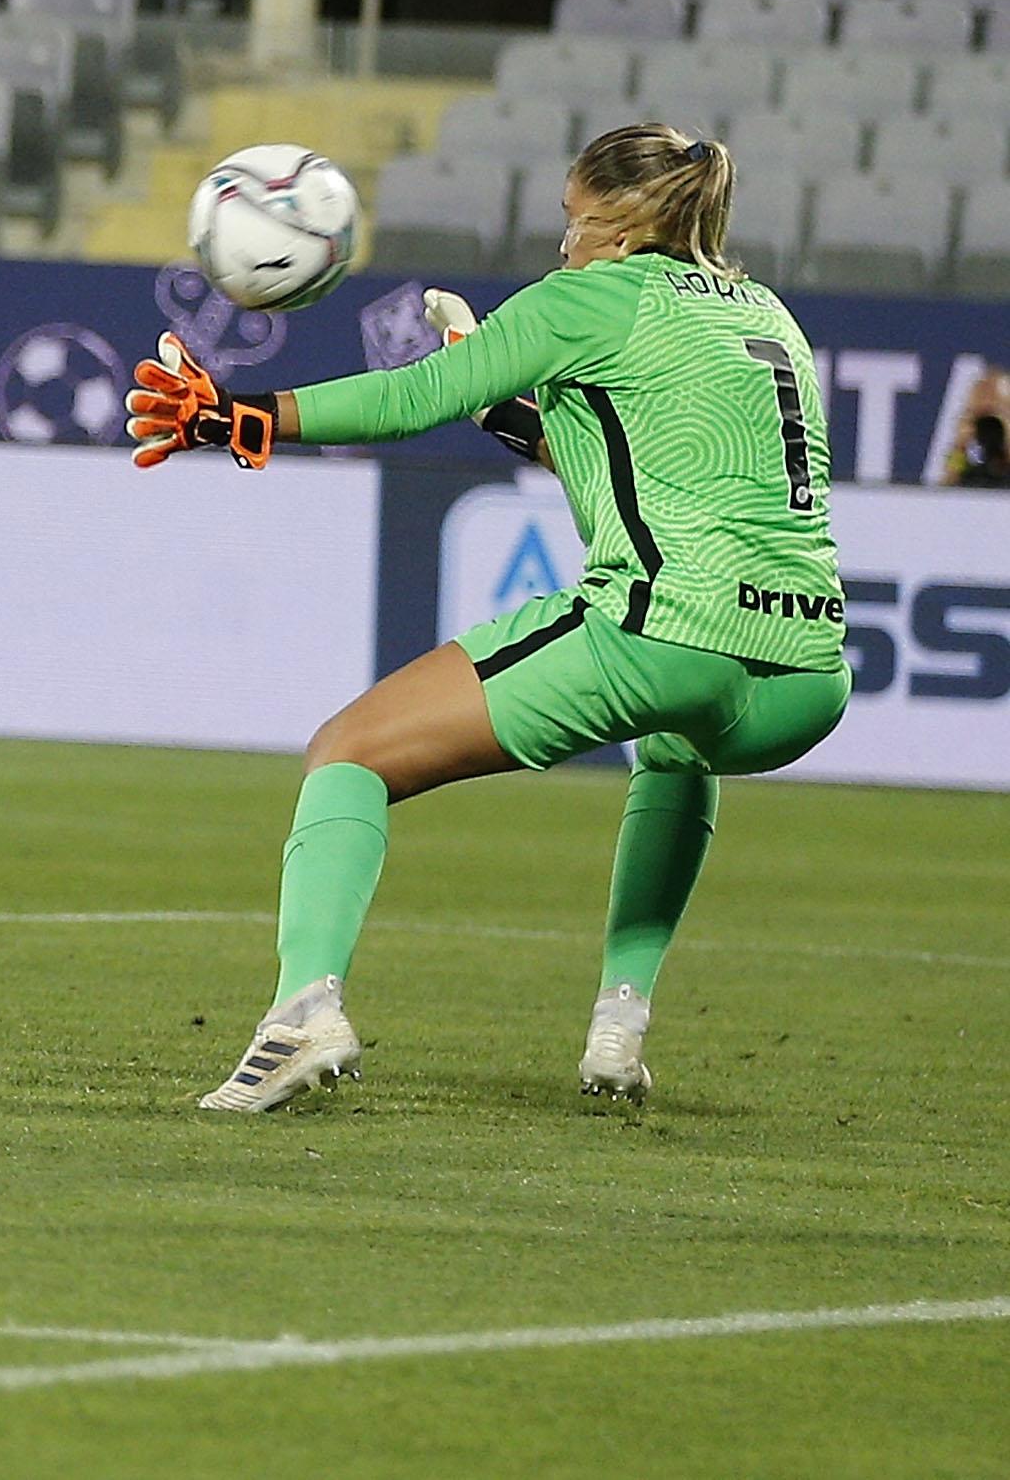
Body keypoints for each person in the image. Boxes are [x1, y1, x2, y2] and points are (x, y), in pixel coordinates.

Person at [128, 125, 851, 1112]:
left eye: (572, 218)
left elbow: (411, 393)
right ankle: (620, 1022)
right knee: (679, 755)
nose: (565, 240)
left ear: (616, 219)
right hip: (805, 677)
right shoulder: (765, 315)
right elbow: (630, 470)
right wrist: (510, 404)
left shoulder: (596, 295)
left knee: (348, 752)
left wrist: (236, 415)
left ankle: (301, 1012)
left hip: (663, 634)